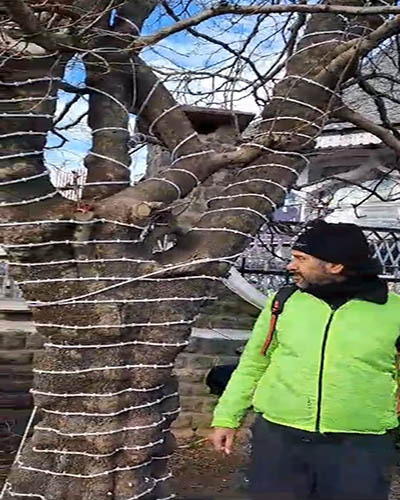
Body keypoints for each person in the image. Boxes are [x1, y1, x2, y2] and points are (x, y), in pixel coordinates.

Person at [209, 220, 400, 500]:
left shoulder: (393, 312)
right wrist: (227, 418)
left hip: (360, 446)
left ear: (335, 265)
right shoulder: (282, 303)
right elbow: (253, 364)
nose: (291, 265)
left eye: (301, 258)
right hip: (279, 440)